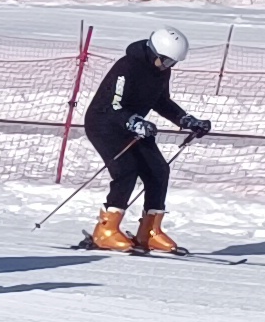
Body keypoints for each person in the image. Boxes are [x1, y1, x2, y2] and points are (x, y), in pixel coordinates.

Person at [84, 26, 210, 252]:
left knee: (158, 170)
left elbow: (161, 101)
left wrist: (186, 120)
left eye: (172, 63)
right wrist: (133, 121)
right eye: (165, 61)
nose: (167, 67)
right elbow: (113, 105)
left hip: (134, 125)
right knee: (126, 170)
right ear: (153, 52)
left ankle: (149, 232)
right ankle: (105, 231)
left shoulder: (161, 71)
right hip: (104, 124)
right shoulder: (127, 67)